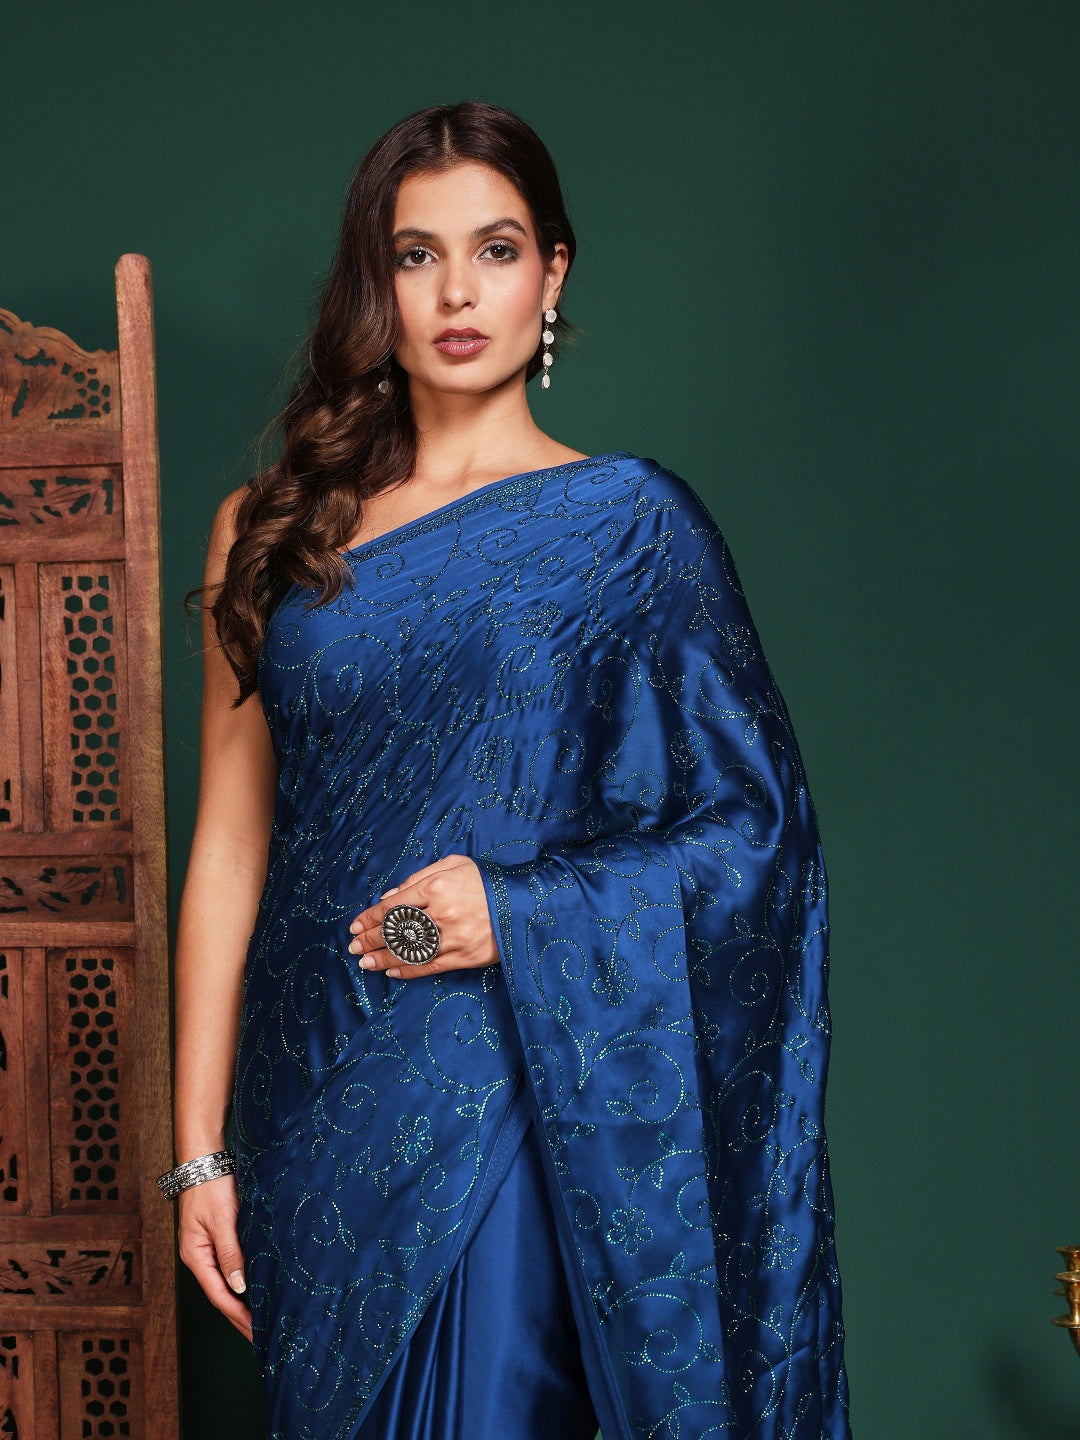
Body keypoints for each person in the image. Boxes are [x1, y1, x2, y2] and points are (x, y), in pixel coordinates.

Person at [166, 100, 852, 1440]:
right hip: (311, 1102)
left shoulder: (631, 529)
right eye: (416, 256)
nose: (457, 292)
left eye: (495, 249)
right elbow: (231, 847)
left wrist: (522, 909)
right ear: (376, 285)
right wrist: (198, 1153)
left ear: (553, 272)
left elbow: (760, 836)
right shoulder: (270, 530)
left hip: (508, 1085)